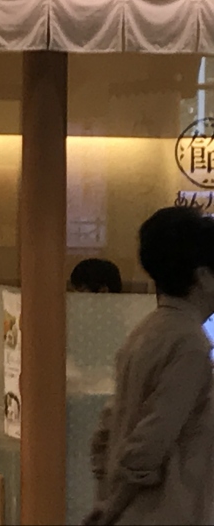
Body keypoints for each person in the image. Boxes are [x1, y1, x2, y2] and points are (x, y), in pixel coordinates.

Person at [86, 206, 214, 525]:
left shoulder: (147, 331)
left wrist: (105, 500)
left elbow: (105, 431)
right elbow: (151, 441)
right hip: (165, 512)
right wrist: (112, 508)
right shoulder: (190, 344)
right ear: (203, 277)